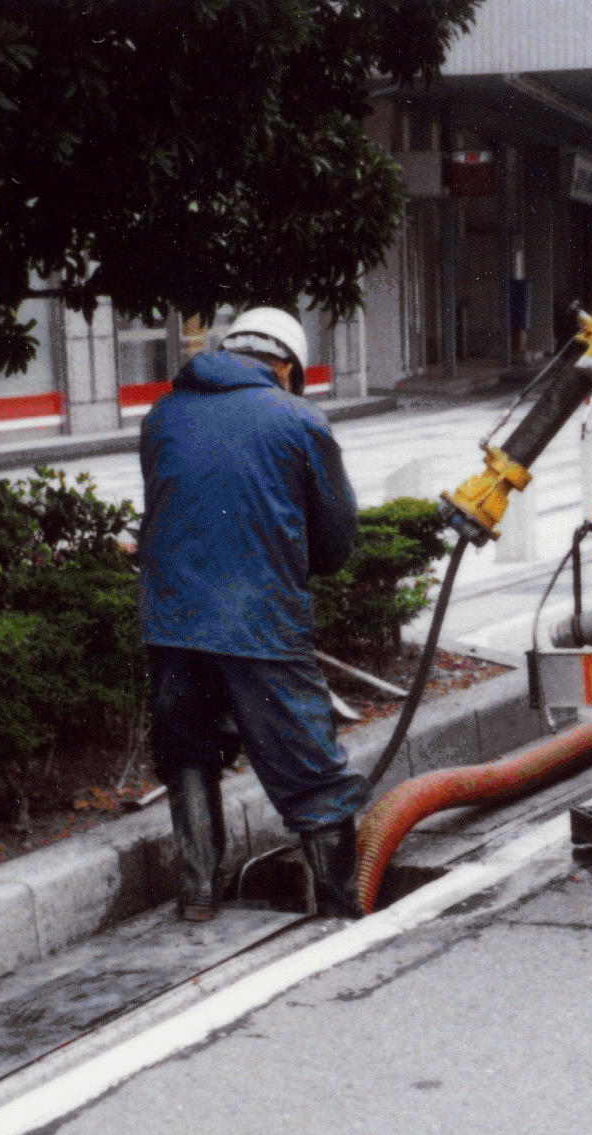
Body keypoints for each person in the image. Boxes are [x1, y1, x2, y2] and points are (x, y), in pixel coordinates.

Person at [138, 306, 367, 920]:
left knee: (187, 751)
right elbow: (336, 541)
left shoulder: (162, 413)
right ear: (287, 366)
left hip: (172, 624)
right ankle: (339, 909)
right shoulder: (298, 419)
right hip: (260, 626)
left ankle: (199, 897)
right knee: (309, 768)